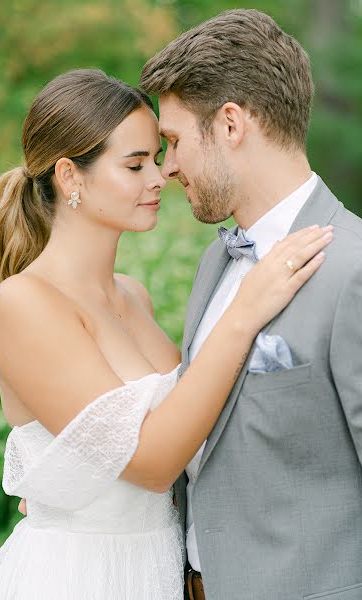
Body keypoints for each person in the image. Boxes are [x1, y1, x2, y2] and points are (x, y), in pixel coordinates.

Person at [0, 68, 329, 600]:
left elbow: (192, 433)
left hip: (158, 568)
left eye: (156, 159)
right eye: (136, 164)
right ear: (70, 177)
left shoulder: (133, 295)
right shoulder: (25, 302)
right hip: (79, 578)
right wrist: (245, 311)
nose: (159, 178)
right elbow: (152, 464)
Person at [140, 8, 362, 600]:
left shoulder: (353, 270)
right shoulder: (216, 263)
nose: (168, 167)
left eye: (174, 141)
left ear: (232, 124)